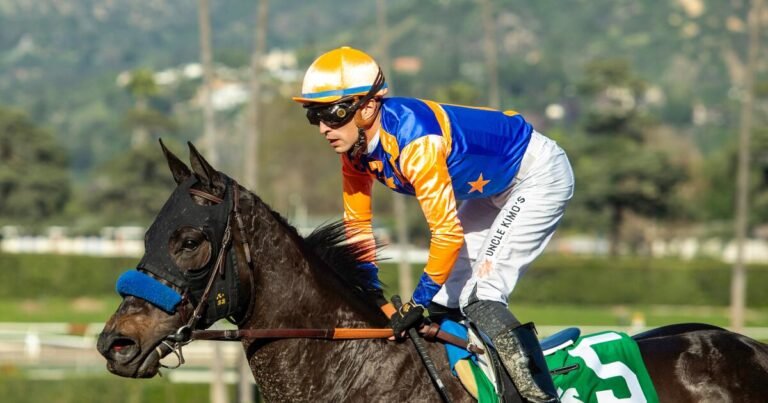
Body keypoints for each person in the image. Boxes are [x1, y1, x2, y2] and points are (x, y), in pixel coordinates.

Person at [293, 46, 573, 403]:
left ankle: (541, 398)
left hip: (537, 175)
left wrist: (414, 302)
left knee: (481, 294)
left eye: (331, 114)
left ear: (366, 108)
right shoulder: (355, 152)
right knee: (445, 299)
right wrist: (374, 294)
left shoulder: (416, 143)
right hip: (491, 188)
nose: (322, 128)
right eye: (313, 115)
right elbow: (358, 225)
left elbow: (447, 234)